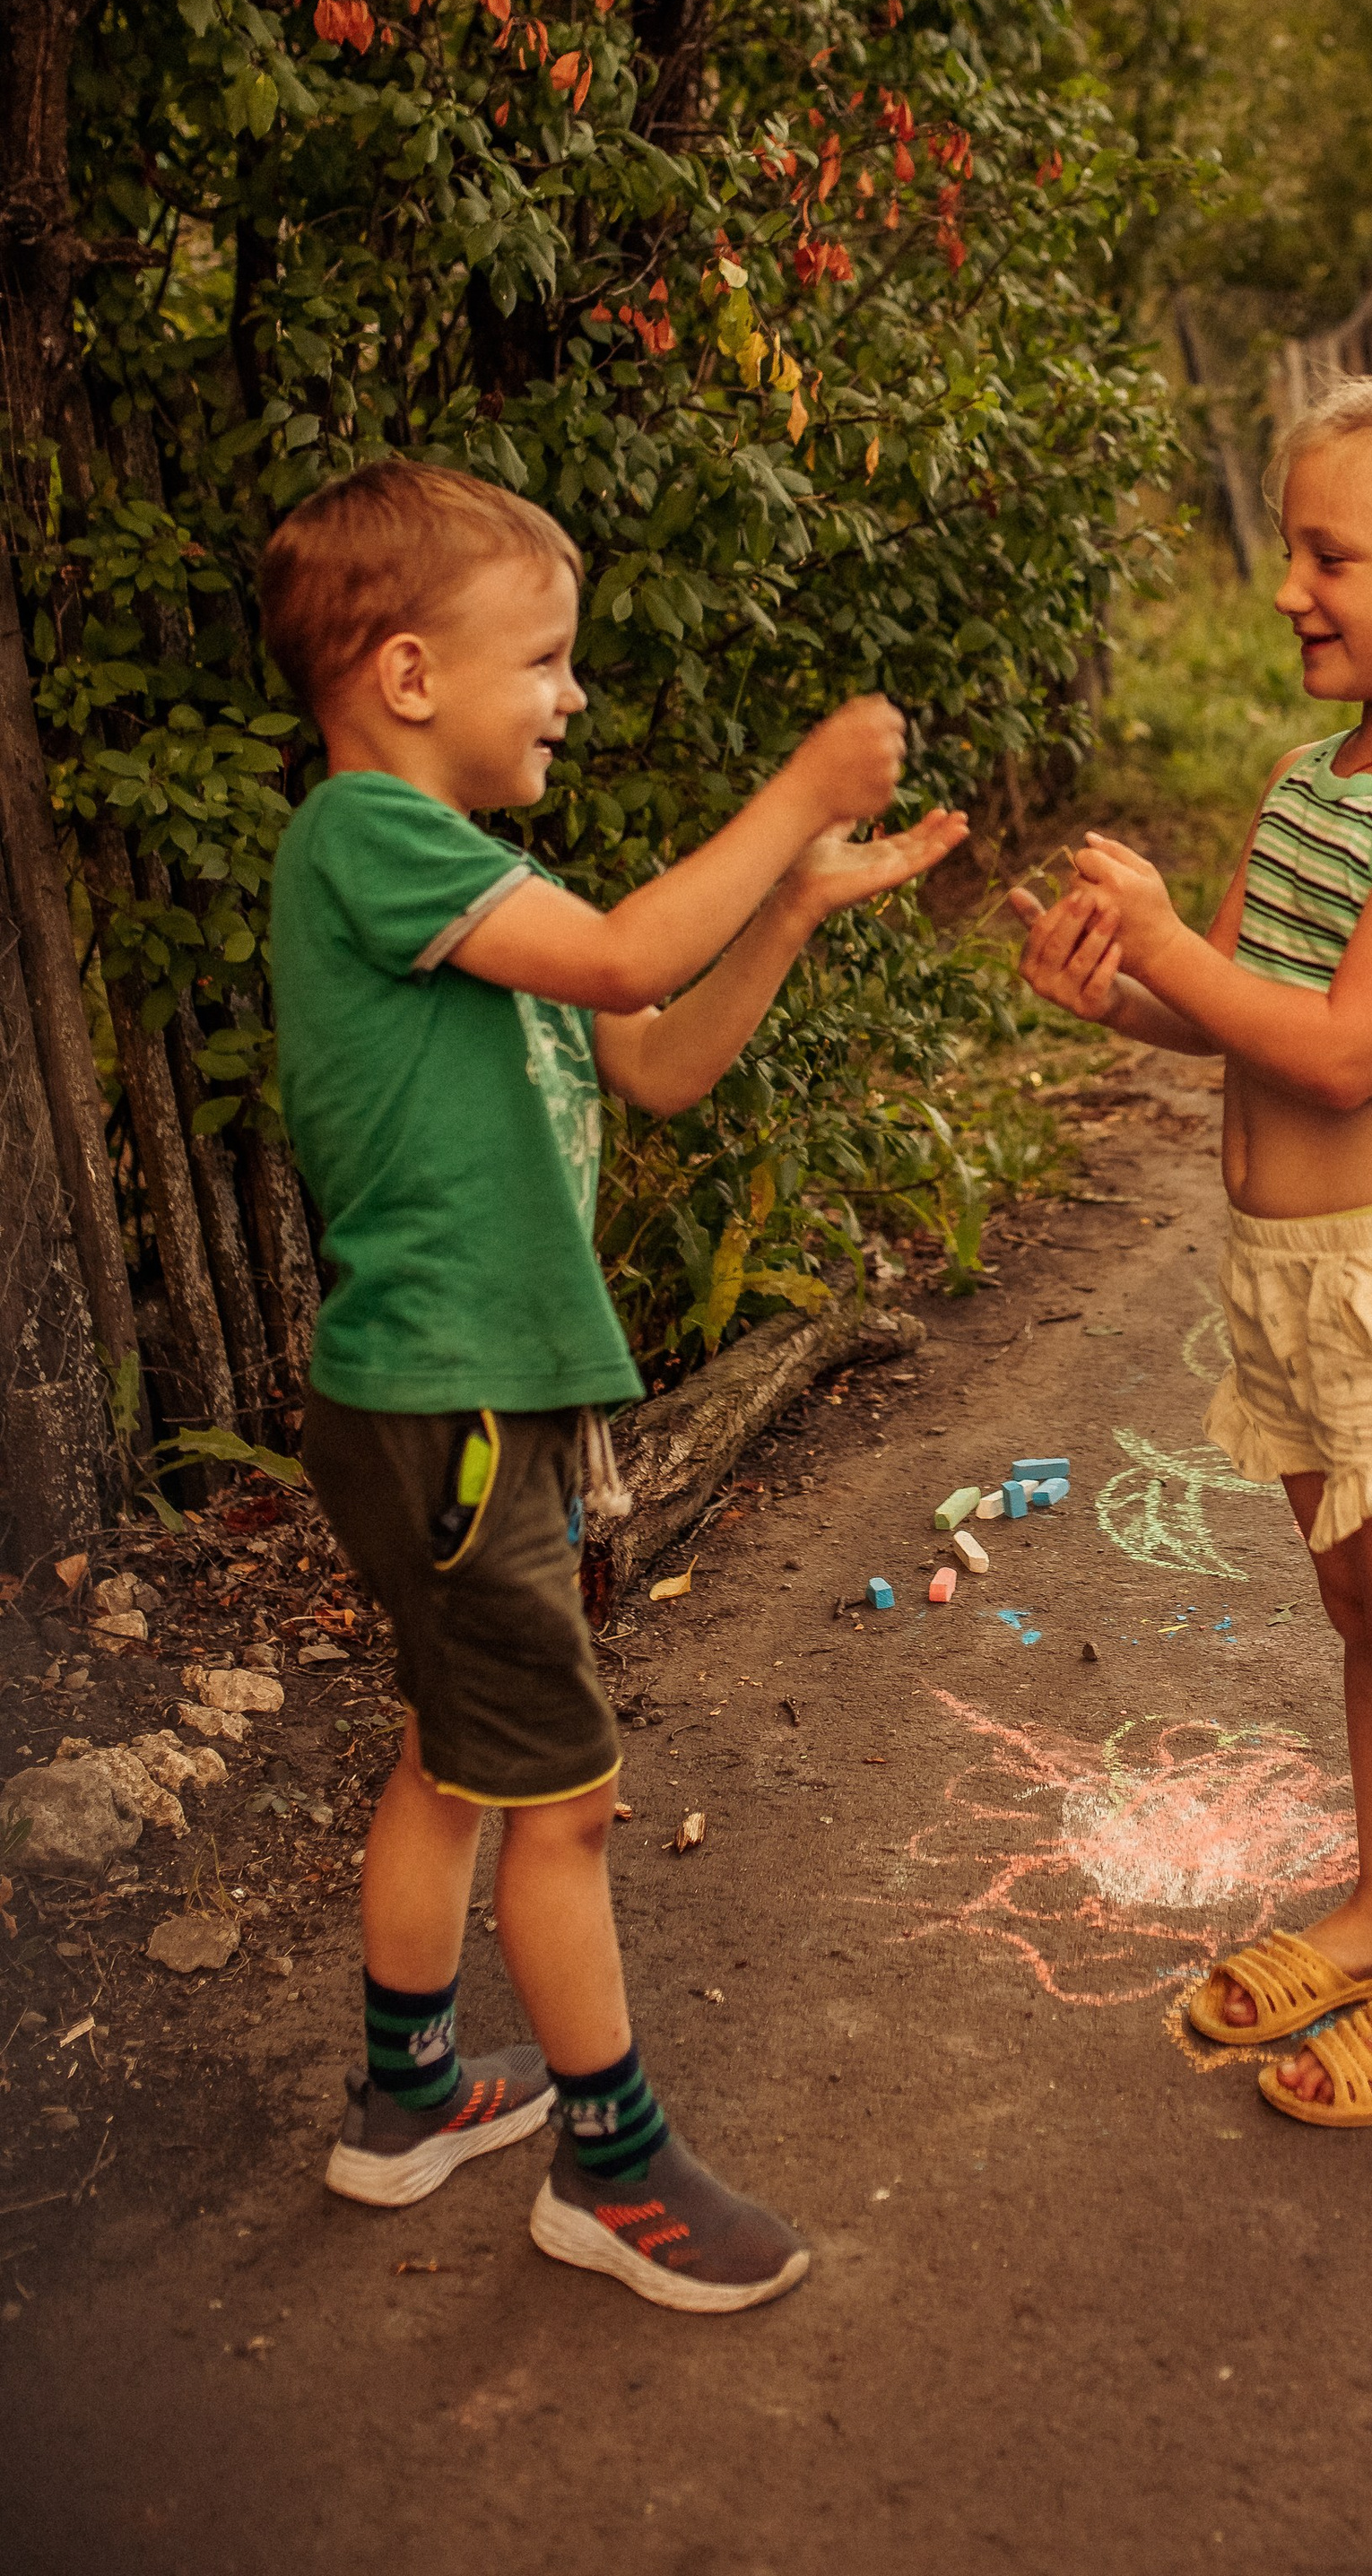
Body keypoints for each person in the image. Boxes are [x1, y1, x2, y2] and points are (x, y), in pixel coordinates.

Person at [259, 458, 965, 2306]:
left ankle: (406, 2099)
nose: (570, 695)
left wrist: (792, 902)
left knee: (459, 1754)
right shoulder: (367, 837)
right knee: (561, 1798)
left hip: (462, 1407)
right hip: (456, 1406)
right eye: (545, 660)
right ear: (408, 677)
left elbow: (646, 1050)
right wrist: (799, 783)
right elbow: (633, 949)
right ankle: (610, 2163)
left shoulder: (470, 879)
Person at [1014, 378, 1372, 2127]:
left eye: (1326, 553)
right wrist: (1124, 995)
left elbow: (1350, 1051)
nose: (1287, 587)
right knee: (1360, 1614)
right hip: (1291, 1287)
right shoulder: (1313, 776)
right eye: (1290, 549)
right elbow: (1258, 1026)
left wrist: (1172, 941)